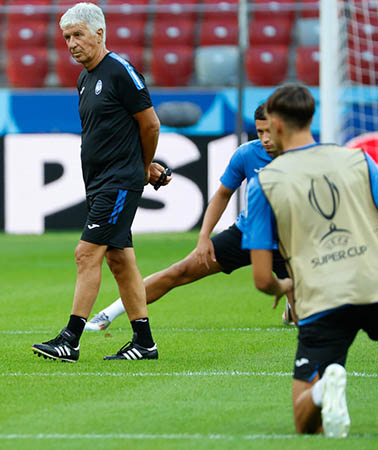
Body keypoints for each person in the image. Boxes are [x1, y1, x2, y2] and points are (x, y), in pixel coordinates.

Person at [243, 84, 378, 437]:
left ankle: (321, 389)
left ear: (277, 125)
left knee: (304, 425)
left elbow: (261, 279)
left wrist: (285, 285)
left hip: (321, 297)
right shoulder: (357, 159)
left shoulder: (265, 182)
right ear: (310, 118)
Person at [32, 2, 170, 362]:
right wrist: (144, 165)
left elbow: (150, 124)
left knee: (85, 254)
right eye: (66, 37)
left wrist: (141, 167)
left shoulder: (121, 72)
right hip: (102, 183)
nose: (72, 43)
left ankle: (71, 338)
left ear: (100, 33)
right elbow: (117, 131)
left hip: (118, 183)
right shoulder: (85, 78)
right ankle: (145, 342)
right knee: (120, 261)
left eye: (78, 34)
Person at [84, 104, 295, 332]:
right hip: (247, 234)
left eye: (269, 132)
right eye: (259, 131)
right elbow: (222, 195)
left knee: (309, 322)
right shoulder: (247, 154)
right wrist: (204, 237)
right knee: (180, 272)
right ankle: (107, 314)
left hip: (291, 244)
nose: (264, 138)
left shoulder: (303, 158)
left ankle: (293, 305)